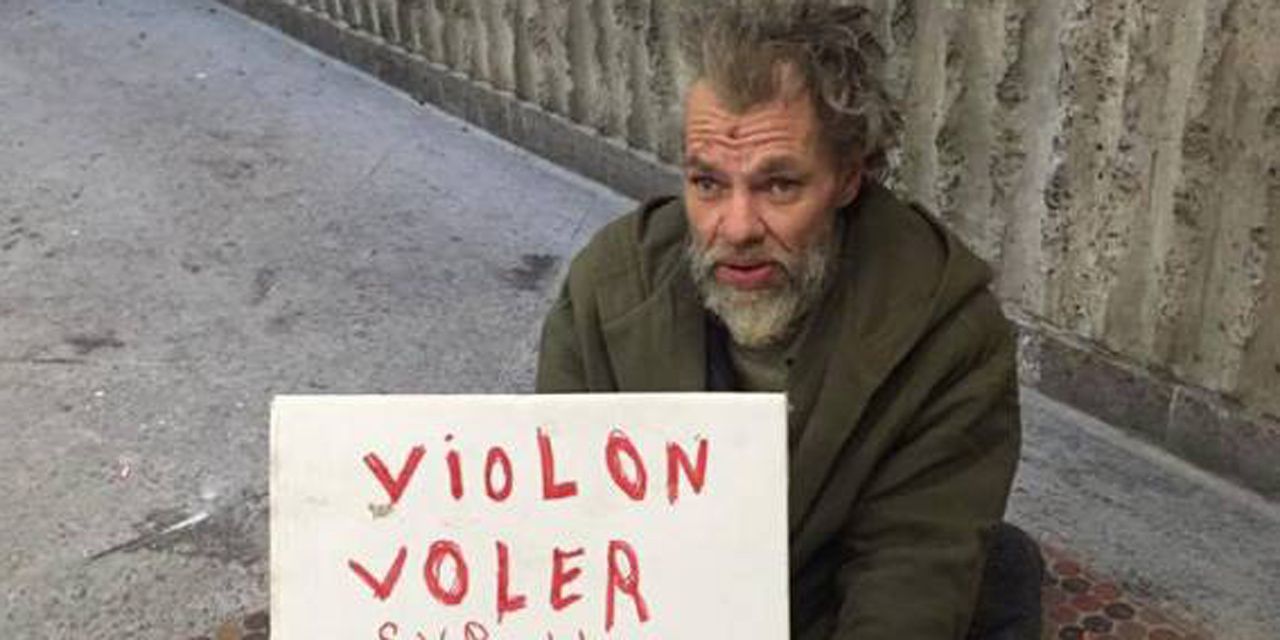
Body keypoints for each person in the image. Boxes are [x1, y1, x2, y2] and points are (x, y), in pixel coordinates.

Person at [536, 1, 1043, 638]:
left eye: (779, 185)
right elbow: (562, 519)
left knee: (999, 576)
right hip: (664, 604)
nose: (737, 228)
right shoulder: (608, 288)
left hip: (824, 607)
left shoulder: (947, 336)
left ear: (849, 178)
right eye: (707, 183)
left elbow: (904, 585)